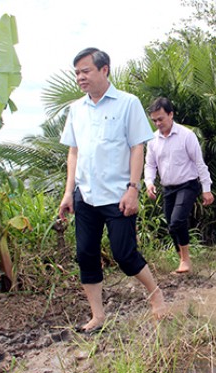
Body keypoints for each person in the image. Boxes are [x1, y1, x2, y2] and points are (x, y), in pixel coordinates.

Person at [58, 48, 166, 333]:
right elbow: (73, 152)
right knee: (86, 254)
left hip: (118, 194)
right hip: (85, 195)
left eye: (86, 71)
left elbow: (137, 147)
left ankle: (156, 295)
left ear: (104, 70)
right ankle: (98, 316)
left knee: (124, 254)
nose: (80, 77)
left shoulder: (127, 103)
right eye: (77, 73)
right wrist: (69, 192)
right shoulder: (76, 109)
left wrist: (133, 188)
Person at [144, 97, 214, 274]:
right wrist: (149, 183)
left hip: (188, 185)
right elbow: (150, 165)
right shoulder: (152, 140)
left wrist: (206, 189)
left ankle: (185, 260)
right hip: (168, 188)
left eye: (161, 119)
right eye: (154, 121)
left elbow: (199, 163)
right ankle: (183, 260)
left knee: (176, 221)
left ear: (171, 114)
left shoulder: (186, 136)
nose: (158, 123)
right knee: (171, 225)